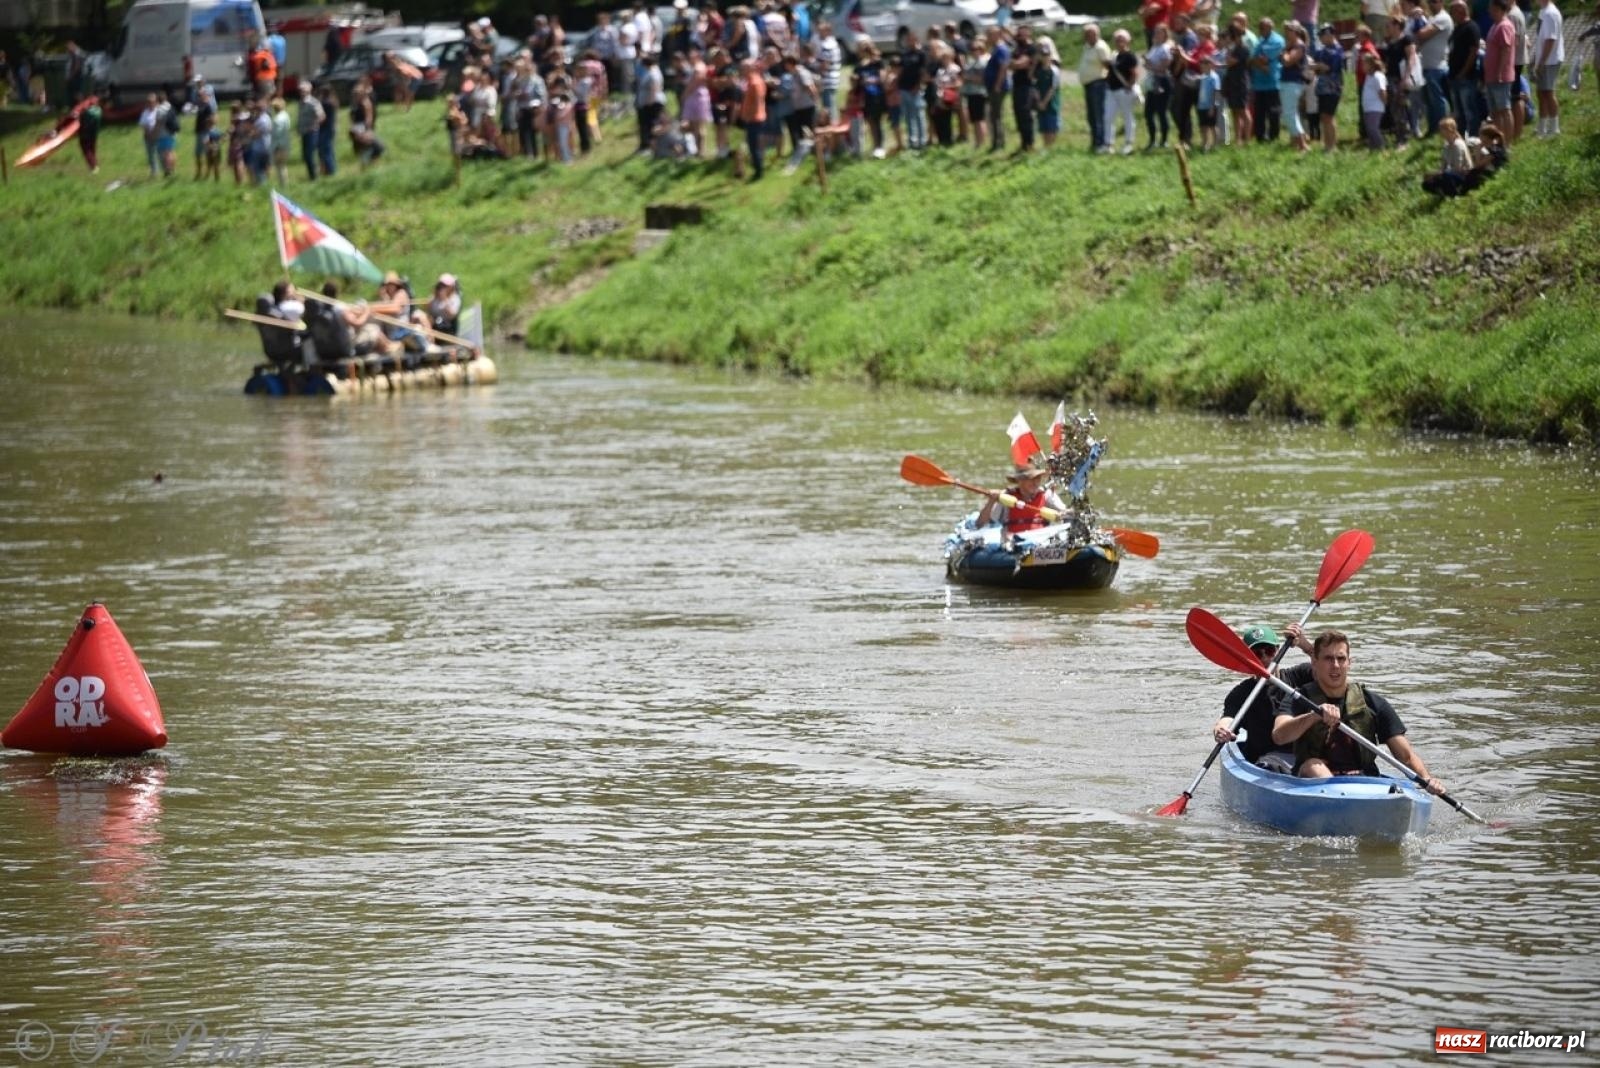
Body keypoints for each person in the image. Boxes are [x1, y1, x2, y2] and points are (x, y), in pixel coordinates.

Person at [1270, 630, 1446, 794]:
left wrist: (1427, 779)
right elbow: (1279, 735)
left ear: (1349, 662)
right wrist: (1313, 716)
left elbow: (1406, 756)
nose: (1335, 665)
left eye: (1341, 658)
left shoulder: (1372, 702)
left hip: (1363, 781)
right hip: (1314, 783)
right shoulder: (1299, 698)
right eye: (1328, 659)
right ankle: (1338, 804)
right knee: (1312, 767)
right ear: (1314, 662)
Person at [1210, 624, 1314, 773]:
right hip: (1266, 762)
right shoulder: (1241, 693)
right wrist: (1220, 730)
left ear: (1278, 650)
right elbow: (1227, 719)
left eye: (1270, 651)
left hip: (1304, 755)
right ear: (1247, 658)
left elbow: (1327, 666)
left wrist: (1304, 644)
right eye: (1257, 654)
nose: (1265, 658)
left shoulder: (1301, 675)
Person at [976, 462, 1066, 534]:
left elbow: (1065, 512)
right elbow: (980, 524)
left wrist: (1063, 515)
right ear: (1020, 481)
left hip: (1041, 542)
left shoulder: (1047, 494)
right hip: (1013, 545)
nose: (1035, 483)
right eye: (1031, 478)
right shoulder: (1006, 496)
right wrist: (991, 502)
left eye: (1038, 478)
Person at [1447, 1, 1484, 135]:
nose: (1452, 15)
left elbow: (1474, 51)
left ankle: (1474, 137)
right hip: (1454, 75)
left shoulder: (1471, 27)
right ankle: (1460, 136)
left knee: (1470, 110)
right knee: (1459, 112)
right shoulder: (1457, 28)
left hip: (1466, 77)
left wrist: (1464, 72)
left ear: (1462, 10)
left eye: (1453, 11)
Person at [1105, 29, 1140, 155]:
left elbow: (1135, 72)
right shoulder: (1114, 55)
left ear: (1127, 41)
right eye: (1117, 40)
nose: (1119, 42)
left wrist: (1129, 86)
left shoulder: (1130, 56)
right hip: (1111, 90)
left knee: (1127, 116)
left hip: (1124, 90)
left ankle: (1129, 143)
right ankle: (1109, 144)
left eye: (1122, 40)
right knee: (1108, 117)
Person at [1311, 23, 1345, 150]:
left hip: (1333, 87)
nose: (1320, 38)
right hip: (1322, 87)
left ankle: (1332, 145)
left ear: (1330, 34)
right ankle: (1327, 144)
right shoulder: (1321, 50)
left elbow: (1330, 68)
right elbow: (1317, 66)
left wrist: (1319, 66)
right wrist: (1318, 66)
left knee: (1329, 116)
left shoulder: (1337, 50)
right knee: (1324, 116)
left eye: (1322, 35)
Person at [1079, 24, 1112, 153]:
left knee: (1098, 115)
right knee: (1091, 115)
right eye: (1086, 34)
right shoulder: (1087, 47)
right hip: (1088, 84)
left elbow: (1107, 66)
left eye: (1091, 34)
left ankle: (1101, 142)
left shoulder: (1101, 47)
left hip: (1098, 84)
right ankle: (1094, 141)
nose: (1088, 36)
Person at [1532, 0, 1562, 135]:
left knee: (1548, 92)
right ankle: (1542, 126)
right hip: (1543, 59)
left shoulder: (1550, 13)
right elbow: (1541, 38)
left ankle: (1554, 127)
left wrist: (1542, 62)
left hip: (1550, 60)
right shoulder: (1543, 11)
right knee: (1541, 93)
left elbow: (1551, 39)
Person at [1421, 115, 1474, 192]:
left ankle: (1457, 191)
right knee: (1426, 184)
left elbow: (1458, 168)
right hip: (1451, 173)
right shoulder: (1446, 146)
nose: (1441, 132)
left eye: (1442, 130)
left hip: (1464, 175)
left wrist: (1440, 174)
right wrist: (1434, 174)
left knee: (1446, 175)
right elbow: (1443, 166)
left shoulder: (1458, 145)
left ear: (1450, 130)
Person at [296, 83, 324, 180]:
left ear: (309, 91)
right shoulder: (300, 102)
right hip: (304, 132)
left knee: (309, 154)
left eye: (303, 91)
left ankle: (314, 176)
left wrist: (313, 125)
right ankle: (311, 174)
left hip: (312, 132)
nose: (301, 93)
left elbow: (321, 116)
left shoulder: (313, 102)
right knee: (305, 155)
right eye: (300, 91)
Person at [77, 95, 102, 173]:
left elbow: (79, 118)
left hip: (85, 134)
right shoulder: (99, 110)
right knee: (92, 149)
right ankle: (95, 165)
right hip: (94, 134)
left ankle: (94, 167)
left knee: (87, 150)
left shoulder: (86, 112)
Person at [269, 96, 291, 185]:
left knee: (279, 166)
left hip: (278, 145)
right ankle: (284, 182)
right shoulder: (286, 115)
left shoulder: (277, 119)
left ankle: (283, 183)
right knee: (283, 165)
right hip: (285, 143)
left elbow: (276, 134)